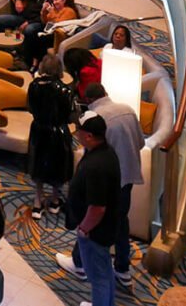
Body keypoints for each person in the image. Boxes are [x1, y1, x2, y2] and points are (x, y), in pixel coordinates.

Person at [60, 83, 145, 287]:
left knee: (92, 226)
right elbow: (141, 143)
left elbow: (93, 153)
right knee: (121, 221)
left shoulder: (95, 120)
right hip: (129, 175)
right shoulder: (128, 109)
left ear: (88, 100)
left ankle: (80, 263)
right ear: (105, 93)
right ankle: (122, 269)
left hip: (106, 181)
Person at [66, 111, 121, 306]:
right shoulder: (105, 151)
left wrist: (84, 230)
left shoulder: (97, 166)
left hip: (95, 232)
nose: (76, 133)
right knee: (104, 271)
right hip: (104, 229)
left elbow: (97, 208)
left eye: (79, 130)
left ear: (88, 135)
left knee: (97, 277)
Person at [27, 54, 76, 219]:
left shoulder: (33, 86)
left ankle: (37, 202)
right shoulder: (65, 90)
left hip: (39, 129)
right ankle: (55, 200)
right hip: (58, 132)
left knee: (38, 163)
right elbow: (69, 115)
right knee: (58, 165)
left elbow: (30, 108)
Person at [27, 0, 78, 70]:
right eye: (53, 0)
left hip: (62, 37)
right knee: (33, 36)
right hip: (52, 33)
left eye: (56, 0)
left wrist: (52, 12)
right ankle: (32, 62)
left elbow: (59, 24)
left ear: (63, 0)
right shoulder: (56, 10)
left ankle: (36, 64)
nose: (54, 2)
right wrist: (44, 11)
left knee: (40, 39)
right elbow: (45, 22)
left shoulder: (69, 11)